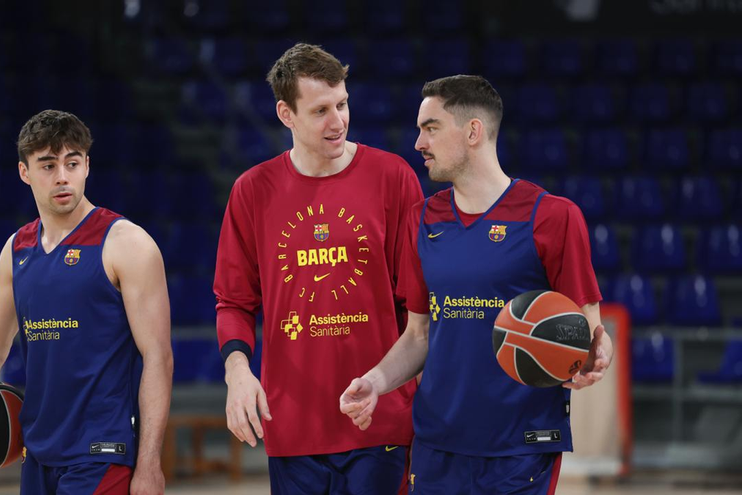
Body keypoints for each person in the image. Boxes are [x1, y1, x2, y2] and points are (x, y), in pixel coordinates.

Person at [340, 75, 614, 494]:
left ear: (473, 132)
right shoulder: (421, 220)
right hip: (437, 443)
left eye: (430, 128)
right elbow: (419, 334)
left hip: (519, 448)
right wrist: (374, 383)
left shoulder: (553, 218)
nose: (418, 142)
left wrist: (593, 355)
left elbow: (585, 331)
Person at [213, 43, 422, 494]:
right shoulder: (253, 191)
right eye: (321, 110)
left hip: (380, 421)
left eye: (343, 104)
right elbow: (233, 301)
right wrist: (237, 372)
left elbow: (418, 304)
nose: (339, 121)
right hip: (292, 427)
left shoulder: (393, 177)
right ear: (286, 115)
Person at [0, 110, 172, 495]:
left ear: (87, 166)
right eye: (47, 165)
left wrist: (149, 463)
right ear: (24, 172)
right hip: (37, 454)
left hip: (102, 452)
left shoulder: (127, 244)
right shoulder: (17, 249)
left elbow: (158, 357)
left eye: (72, 163)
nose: (62, 176)